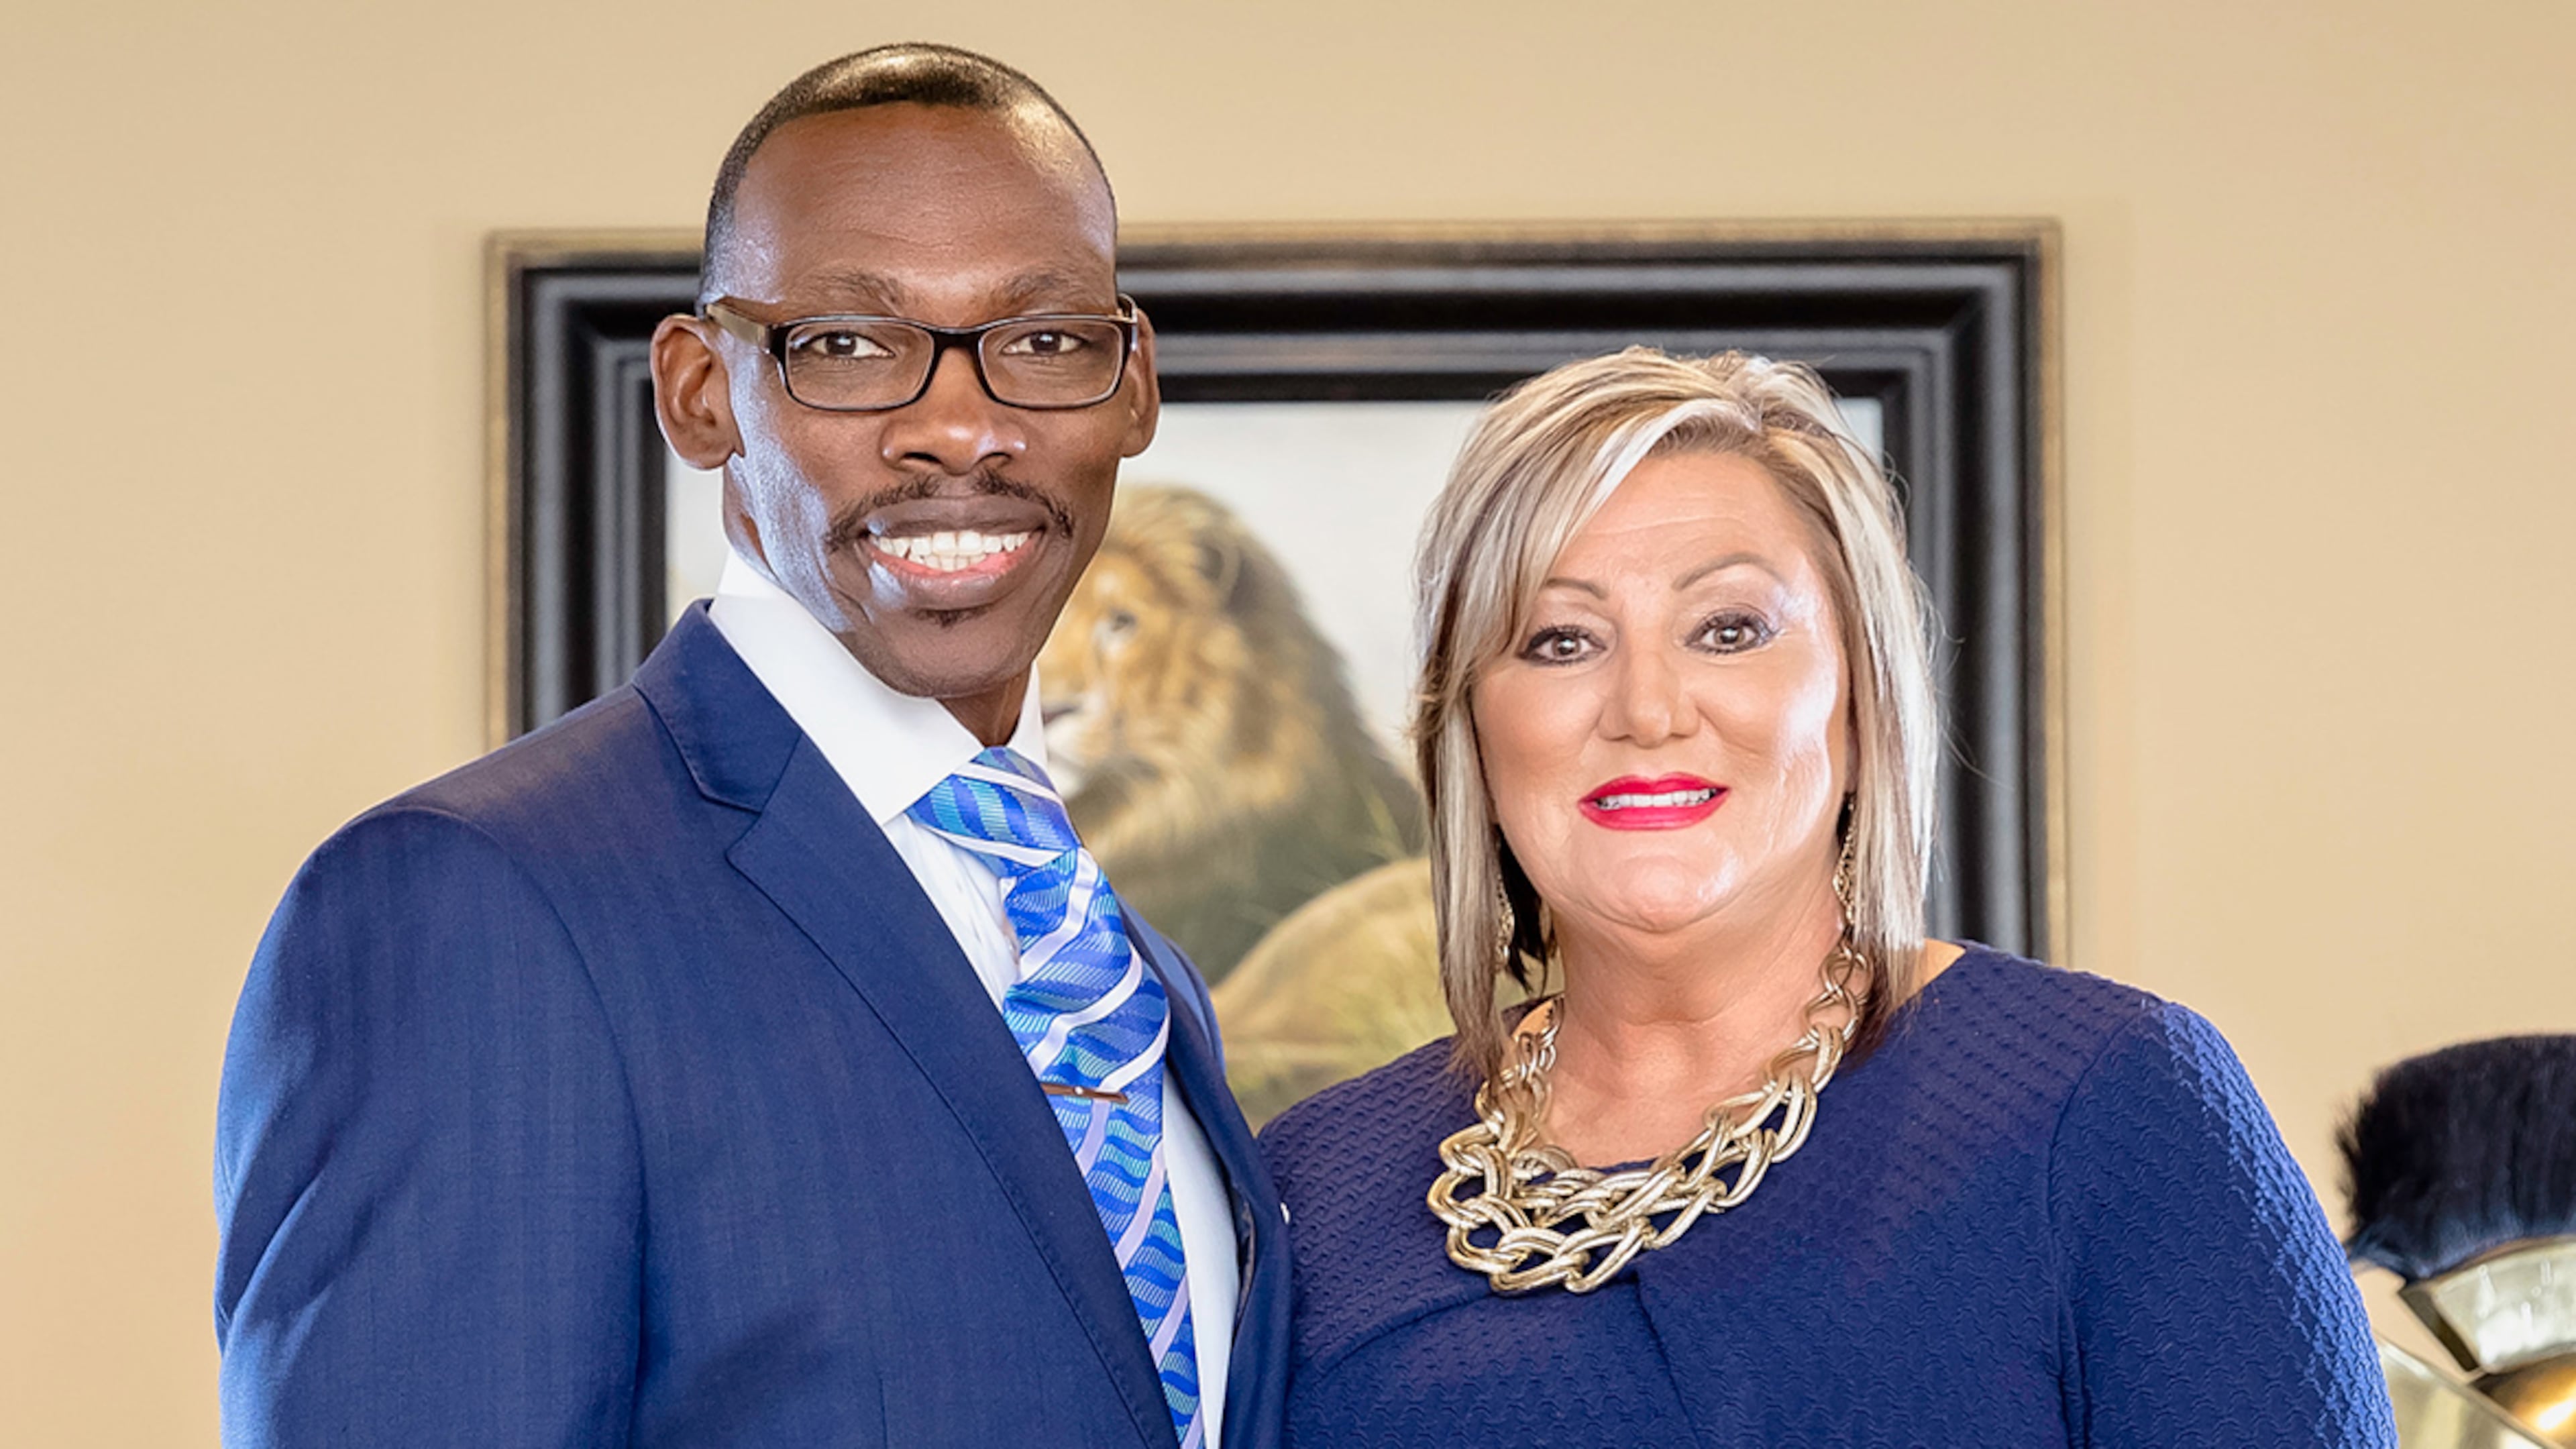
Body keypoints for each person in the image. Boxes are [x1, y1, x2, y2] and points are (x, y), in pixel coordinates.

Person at [215, 45, 1286, 1448]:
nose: (960, 429)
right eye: (845, 346)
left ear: (1132, 385)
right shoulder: (475, 906)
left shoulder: (1129, 973)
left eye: (1042, 342)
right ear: (699, 395)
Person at [1259, 347, 2396, 1446]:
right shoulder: (1317, 1182)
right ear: (1473, 729)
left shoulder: (2112, 1106)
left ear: (1861, 696)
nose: (1646, 709)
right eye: (1561, 640)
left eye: (1730, 630)